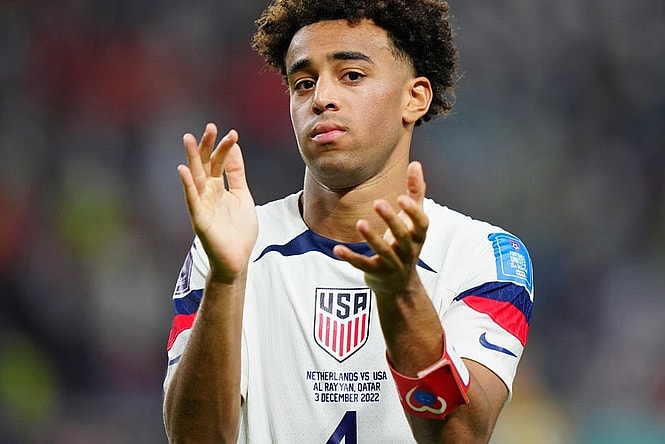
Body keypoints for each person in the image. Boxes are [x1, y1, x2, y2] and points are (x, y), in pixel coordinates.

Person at [162, 0, 534, 442]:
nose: (321, 98)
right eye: (303, 83)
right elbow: (193, 440)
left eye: (351, 76)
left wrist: (401, 295)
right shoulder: (232, 245)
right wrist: (225, 280)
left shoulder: (482, 256)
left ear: (414, 98)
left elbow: (460, 436)